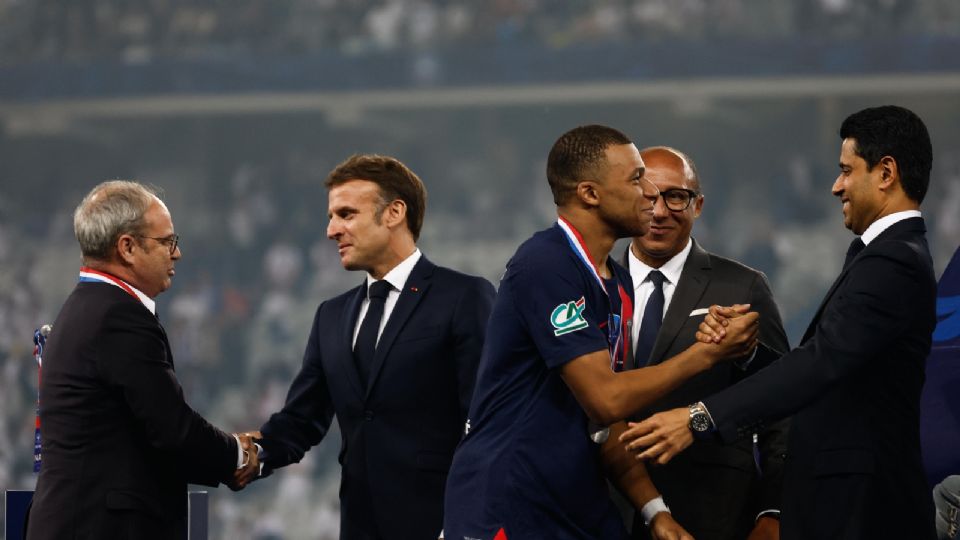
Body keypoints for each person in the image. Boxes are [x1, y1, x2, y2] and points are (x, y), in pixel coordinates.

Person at [623, 105, 938, 539]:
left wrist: (700, 417)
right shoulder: (883, 256)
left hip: (864, 507)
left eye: (847, 170)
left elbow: (818, 364)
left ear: (886, 173)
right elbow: (823, 366)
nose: (836, 186)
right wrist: (747, 351)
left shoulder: (895, 260)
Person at [443, 125, 762, 540]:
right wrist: (706, 353)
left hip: (575, 504)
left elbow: (608, 424)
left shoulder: (617, 282)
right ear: (590, 194)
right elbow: (605, 397)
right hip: (511, 501)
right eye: (635, 179)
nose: (649, 192)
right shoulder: (545, 264)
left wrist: (655, 511)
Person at [245, 154, 496, 540]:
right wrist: (247, 455)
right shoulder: (330, 315)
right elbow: (300, 420)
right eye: (331, 216)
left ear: (394, 212)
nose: (332, 230)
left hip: (443, 523)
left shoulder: (463, 296)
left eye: (346, 214)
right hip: (359, 526)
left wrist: (469, 520)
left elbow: (487, 419)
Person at [25, 181, 258, 540]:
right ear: (128, 248)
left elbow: (139, 442)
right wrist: (237, 456)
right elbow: (173, 430)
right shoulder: (118, 317)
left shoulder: (86, 307)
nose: (176, 253)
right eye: (166, 242)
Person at [620, 146, 790, 540]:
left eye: (675, 196)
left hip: (713, 512)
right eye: (647, 195)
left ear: (697, 205)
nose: (659, 211)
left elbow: (782, 401)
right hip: (607, 510)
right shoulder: (595, 285)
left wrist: (774, 509)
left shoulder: (741, 286)